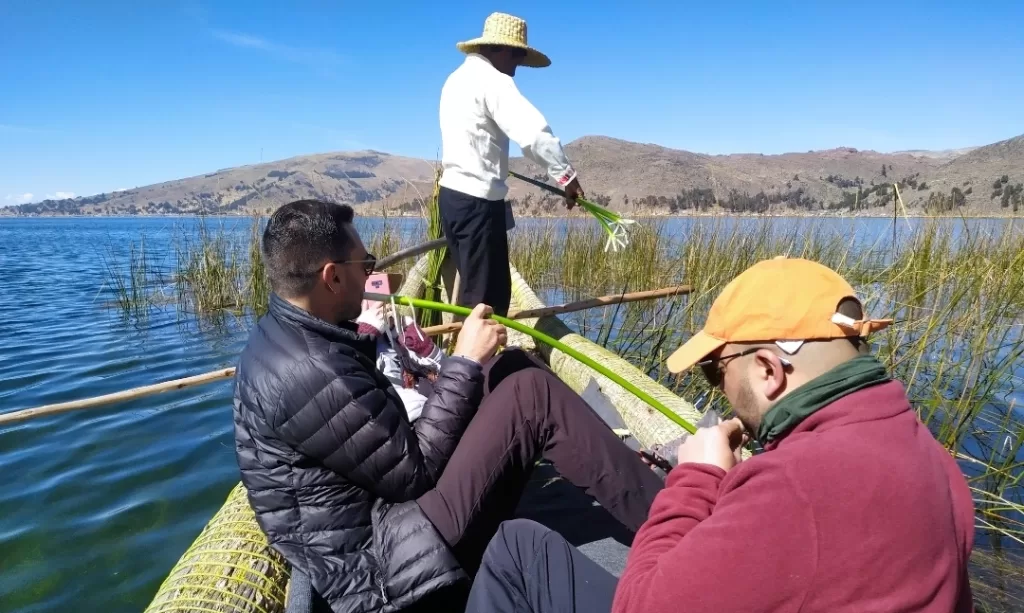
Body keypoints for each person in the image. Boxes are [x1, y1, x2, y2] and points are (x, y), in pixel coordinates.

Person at [464, 256, 976, 613]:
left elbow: (639, 605)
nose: (716, 388)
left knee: (518, 547)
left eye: (715, 369)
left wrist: (696, 478)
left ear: (769, 370)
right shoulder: (932, 457)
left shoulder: (795, 491)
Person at [231, 199, 662, 613]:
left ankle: (630, 477)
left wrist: (473, 367)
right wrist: (463, 363)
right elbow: (416, 474)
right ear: (331, 277)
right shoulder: (308, 371)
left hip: (387, 518)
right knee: (530, 395)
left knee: (507, 366)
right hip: (385, 571)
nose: (371, 275)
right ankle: (673, 521)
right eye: (365, 265)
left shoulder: (299, 337)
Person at [438, 11, 584, 317]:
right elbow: (534, 134)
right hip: (478, 205)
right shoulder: (493, 81)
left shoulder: (455, 80)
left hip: (452, 200)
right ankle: (475, 361)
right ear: (499, 48)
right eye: (517, 54)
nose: (517, 64)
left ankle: (469, 355)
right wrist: (566, 178)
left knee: (475, 289)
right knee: (486, 301)